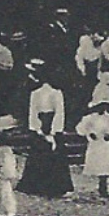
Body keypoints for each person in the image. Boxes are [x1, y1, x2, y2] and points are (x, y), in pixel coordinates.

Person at [18, 64, 74, 197]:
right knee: (39, 154)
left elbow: (59, 113)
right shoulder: (35, 93)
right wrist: (38, 129)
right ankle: (36, 185)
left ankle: (54, 186)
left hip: (50, 123)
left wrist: (53, 132)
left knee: (55, 156)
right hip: (42, 124)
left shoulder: (56, 93)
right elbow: (33, 112)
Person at [76, 100, 109, 198]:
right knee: (97, 164)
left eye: (104, 107)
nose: (102, 110)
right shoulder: (89, 118)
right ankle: (101, 184)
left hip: (105, 144)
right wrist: (89, 133)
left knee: (106, 165)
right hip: (95, 143)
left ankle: (103, 185)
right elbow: (80, 129)